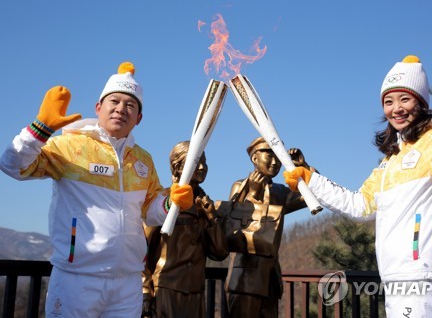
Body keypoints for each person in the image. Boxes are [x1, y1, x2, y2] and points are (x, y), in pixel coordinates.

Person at [283, 55, 432, 317]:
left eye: (405, 99)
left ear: (421, 101)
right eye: (388, 101)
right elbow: (359, 205)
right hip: (396, 276)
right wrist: (311, 179)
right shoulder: (391, 160)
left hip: (424, 275)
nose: (397, 108)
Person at [0, 62, 193, 318]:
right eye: (114, 101)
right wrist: (39, 130)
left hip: (127, 282)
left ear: (139, 118)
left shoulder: (142, 160)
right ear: (99, 107)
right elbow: (12, 166)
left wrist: (171, 204)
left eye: (130, 105)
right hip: (77, 279)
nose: (121, 109)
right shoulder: (70, 146)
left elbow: (149, 212)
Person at [224, 137, 316, 318]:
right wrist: (253, 195)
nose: (275, 162)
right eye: (269, 156)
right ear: (254, 158)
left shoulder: (280, 192)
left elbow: (312, 196)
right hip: (245, 279)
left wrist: (303, 166)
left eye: (278, 157)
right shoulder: (241, 186)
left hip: (270, 279)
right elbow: (231, 225)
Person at [141, 141, 228, 318]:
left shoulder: (205, 205)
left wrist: (212, 218)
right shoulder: (162, 201)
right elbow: (140, 249)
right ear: (178, 167)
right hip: (166, 289)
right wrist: (144, 291)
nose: (202, 167)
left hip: (195, 291)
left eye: (204, 161)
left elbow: (220, 252)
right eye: (196, 162)